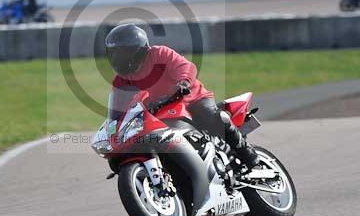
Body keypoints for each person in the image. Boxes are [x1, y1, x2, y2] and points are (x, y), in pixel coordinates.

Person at [104, 23, 259, 170]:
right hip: (158, 113)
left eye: (122, 53)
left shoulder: (159, 54)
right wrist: (114, 129)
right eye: (114, 54)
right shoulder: (121, 80)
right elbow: (119, 109)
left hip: (191, 99)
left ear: (136, 50)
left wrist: (183, 82)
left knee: (212, 116)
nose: (118, 59)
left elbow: (185, 66)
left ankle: (248, 155)